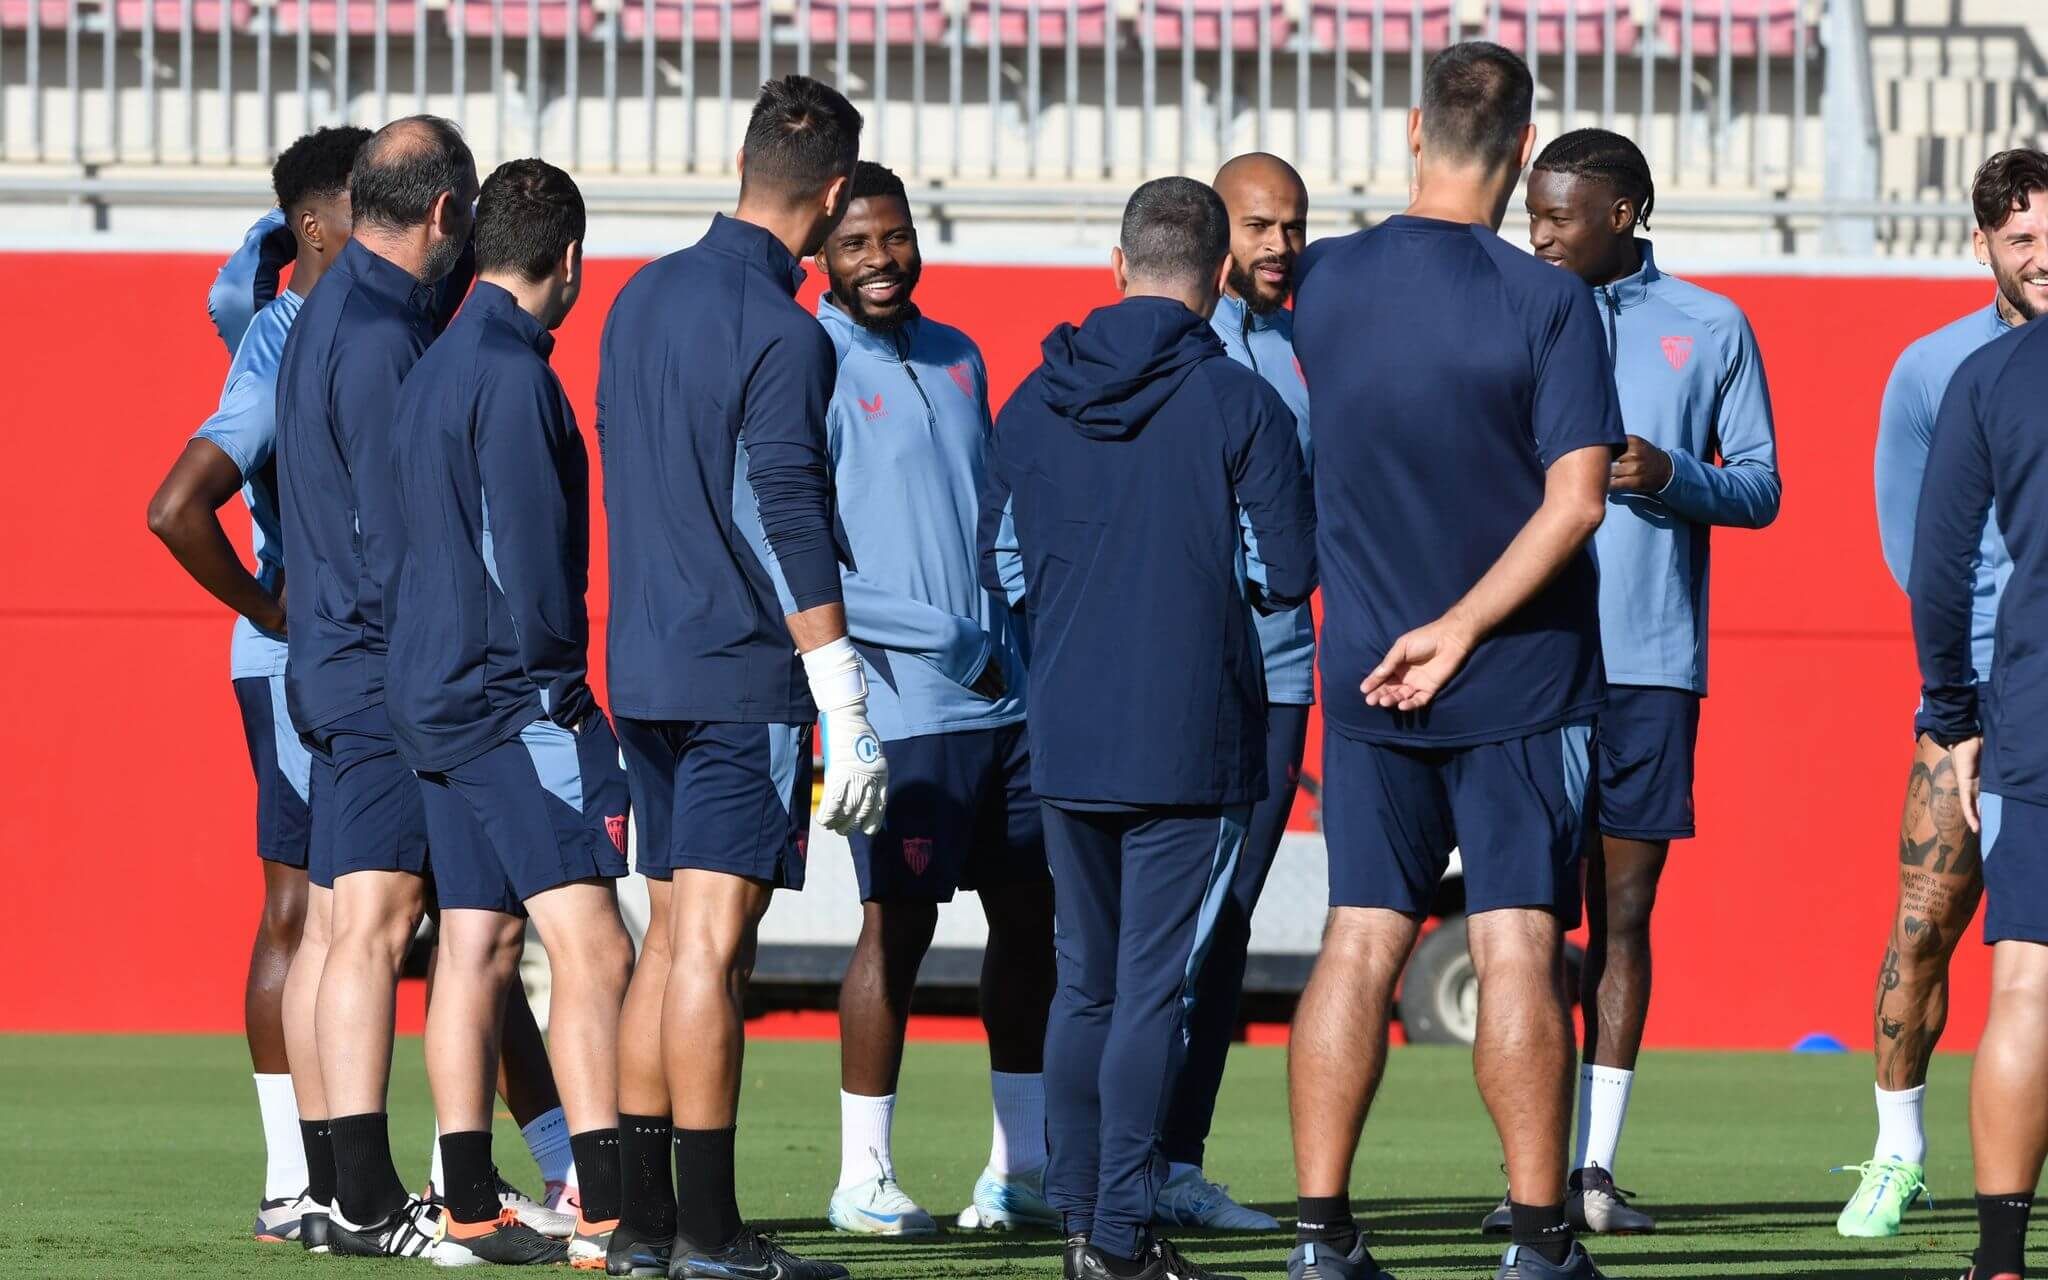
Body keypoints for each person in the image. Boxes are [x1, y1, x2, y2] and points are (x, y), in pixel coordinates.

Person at [1284, 41, 1624, 1280]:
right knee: (1515, 947)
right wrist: (1467, 627)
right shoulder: (1549, 300)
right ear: (1526, 152)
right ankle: (1538, 1243)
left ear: (1414, 129)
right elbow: (1577, 501)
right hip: (1516, 679)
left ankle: (1320, 1238)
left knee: (1358, 939)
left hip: (1368, 670)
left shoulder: (1320, 281)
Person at [980, 175, 1315, 1280]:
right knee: (1151, 984)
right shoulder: (1239, 403)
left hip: (1066, 725)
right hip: (1190, 726)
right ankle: (1117, 1232)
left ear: (1117, 266)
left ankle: (1083, 1217)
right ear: (1217, 276)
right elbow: (1283, 573)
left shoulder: (1030, 400)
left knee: (1083, 978)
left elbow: (1006, 569)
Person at [596, 74, 880, 1280]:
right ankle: (708, 1232)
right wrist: (844, 694)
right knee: (712, 945)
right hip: (736, 667)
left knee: (668, 939)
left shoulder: (636, 296)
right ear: (825, 199)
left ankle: (651, 1222)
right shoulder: (786, 331)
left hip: (648, 662)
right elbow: (785, 509)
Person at [1509, 127, 1781, 1234]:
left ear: (1618, 213)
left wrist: (1667, 474)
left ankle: (1592, 1173)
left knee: (1619, 913)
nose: (1535, 235)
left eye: (1555, 217)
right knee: (1522, 920)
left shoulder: (1709, 326)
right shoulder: (1510, 310)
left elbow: (1759, 488)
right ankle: (1526, 1174)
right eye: (1529, 214)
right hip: (1524, 659)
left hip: (1648, 667)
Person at [386, 157, 636, 1268]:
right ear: (570, 259)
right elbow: (531, 566)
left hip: (430, 693)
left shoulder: (434, 366)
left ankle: (471, 1203)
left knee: (474, 945)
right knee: (597, 947)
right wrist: (563, 694)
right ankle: (607, 1207)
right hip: (508, 701)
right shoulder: (515, 375)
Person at [807, 161, 1060, 1240]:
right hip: (906, 708)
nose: (881, 260)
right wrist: (947, 635)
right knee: (895, 931)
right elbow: (805, 557)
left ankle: (1021, 1168)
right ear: (821, 253)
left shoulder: (958, 354)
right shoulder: (806, 359)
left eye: (895, 238)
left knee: (1032, 926)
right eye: (857, 243)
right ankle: (863, 1173)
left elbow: (990, 508)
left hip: (1006, 707)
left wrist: (1010, 621)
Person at [146, 125, 369, 1248]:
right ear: (321, 224)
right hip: (298, 660)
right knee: (307, 906)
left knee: (380, 911)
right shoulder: (279, 335)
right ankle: (300, 1175)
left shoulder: (357, 315)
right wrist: (269, 606)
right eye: (365, 201)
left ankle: (367, 1172)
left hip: (363, 659)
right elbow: (175, 503)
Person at [274, 114, 480, 1258]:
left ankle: (329, 1188)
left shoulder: (331, 306)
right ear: (447, 213)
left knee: (339, 924)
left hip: (335, 655)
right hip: (380, 665)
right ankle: (361, 1197)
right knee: (375, 922)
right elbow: (407, 523)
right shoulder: (386, 336)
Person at [1836, 146, 2048, 1240]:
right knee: (1923, 926)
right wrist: (1954, 700)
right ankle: (1895, 1152)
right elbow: (1917, 551)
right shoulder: (1935, 370)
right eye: (2019, 239)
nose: (2040, 259)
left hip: (2032, 687)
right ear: (1981, 246)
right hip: (1975, 693)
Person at [1142, 150, 1314, 1236]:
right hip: (1177, 666)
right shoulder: (1164, 349)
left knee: (1228, 925)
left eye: (1293, 227)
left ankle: (1175, 1161)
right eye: (1258, 227)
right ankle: (1100, 1163)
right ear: (1214, 237)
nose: (1279, 248)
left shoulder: (1314, 350)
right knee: (1151, 931)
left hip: (1284, 670)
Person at [1907, 277, 2048, 1280]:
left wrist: (1949, 714)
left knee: (2027, 984)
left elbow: (1938, 564)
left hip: (2037, 699)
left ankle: (2000, 1258)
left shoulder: (1991, 372)